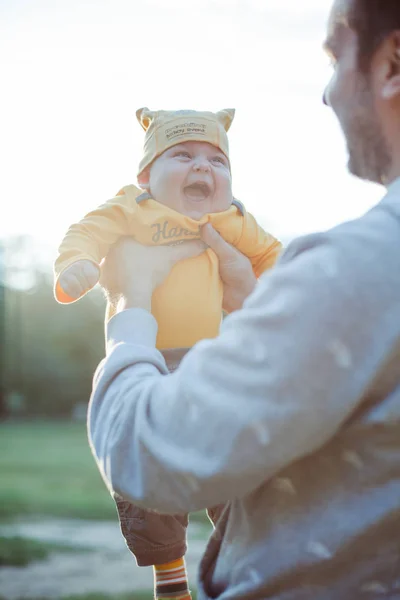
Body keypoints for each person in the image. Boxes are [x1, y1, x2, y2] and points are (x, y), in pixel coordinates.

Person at [88, 0, 400, 598]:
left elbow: (150, 456)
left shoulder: (357, 266)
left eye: (336, 58)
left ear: (393, 62)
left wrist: (127, 304)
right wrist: (255, 304)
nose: (329, 95)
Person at [54, 107, 281, 600]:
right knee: (147, 468)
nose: (203, 167)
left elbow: (273, 258)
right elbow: (85, 233)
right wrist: (77, 264)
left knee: (235, 462)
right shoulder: (132, 208)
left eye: (216, 161)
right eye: (182, 155)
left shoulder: (232, 219)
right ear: (145, 175)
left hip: (212, 363)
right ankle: (170, 574)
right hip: (147, 362)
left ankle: (240, 554)